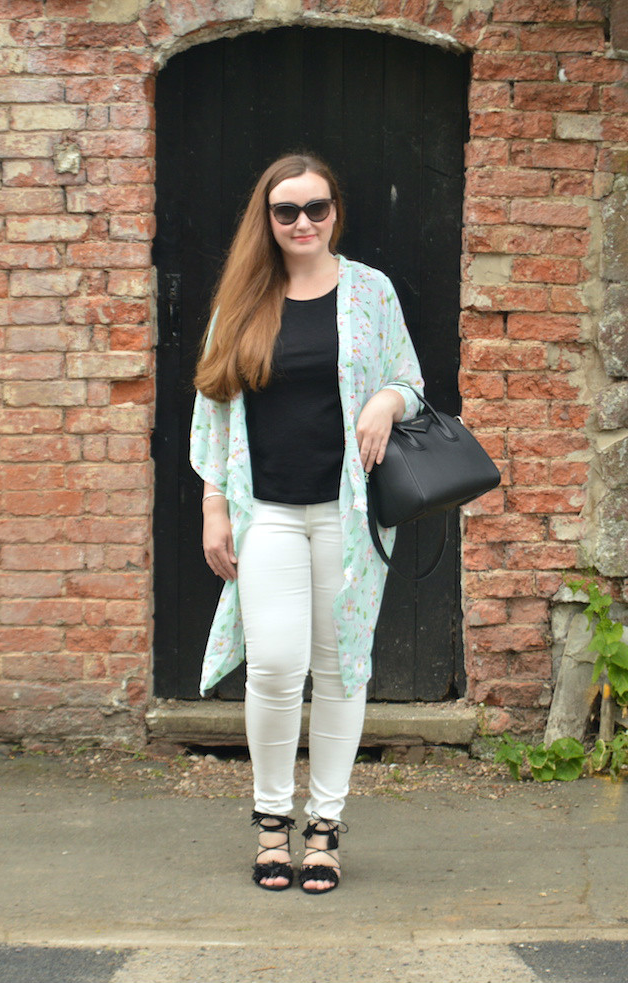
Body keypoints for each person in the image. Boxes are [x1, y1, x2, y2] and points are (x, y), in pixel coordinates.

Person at [189, 153, 424, 894]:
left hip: (348, 518)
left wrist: (387, 401)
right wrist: (214, 505)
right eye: (286, 211)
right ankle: (270, 819)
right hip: (269, 516)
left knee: (342, 665)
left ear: (335, 211)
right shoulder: (244, 300)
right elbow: (214, 407)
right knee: (275, 665)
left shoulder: (370, 292)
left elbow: (410, 383)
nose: (302, 223)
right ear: (267, 218)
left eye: (315, 208)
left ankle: (325, 826)